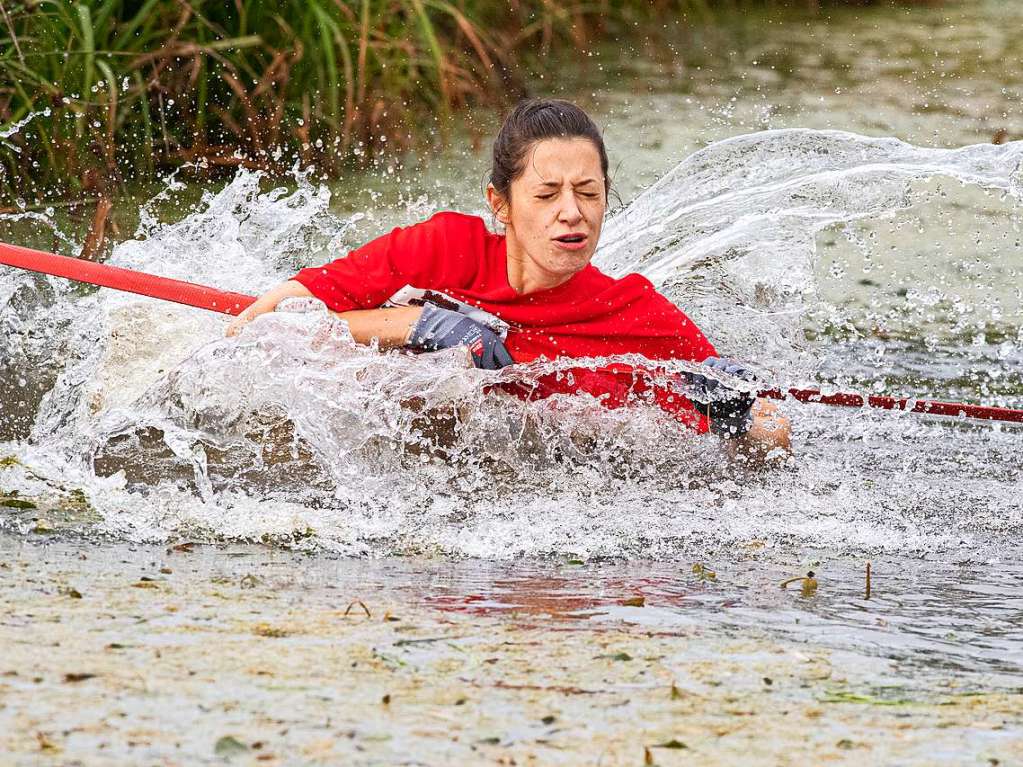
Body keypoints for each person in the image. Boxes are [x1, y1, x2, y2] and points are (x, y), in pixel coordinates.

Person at [227, 99, 790, 457]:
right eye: (546, 195)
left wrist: (737, 413)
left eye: (589, 193)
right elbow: (264, 322)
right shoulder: (442, 251)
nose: (572, 212)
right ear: (501, 203)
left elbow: (773, 435)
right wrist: (412, 324)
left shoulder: (636, 312)